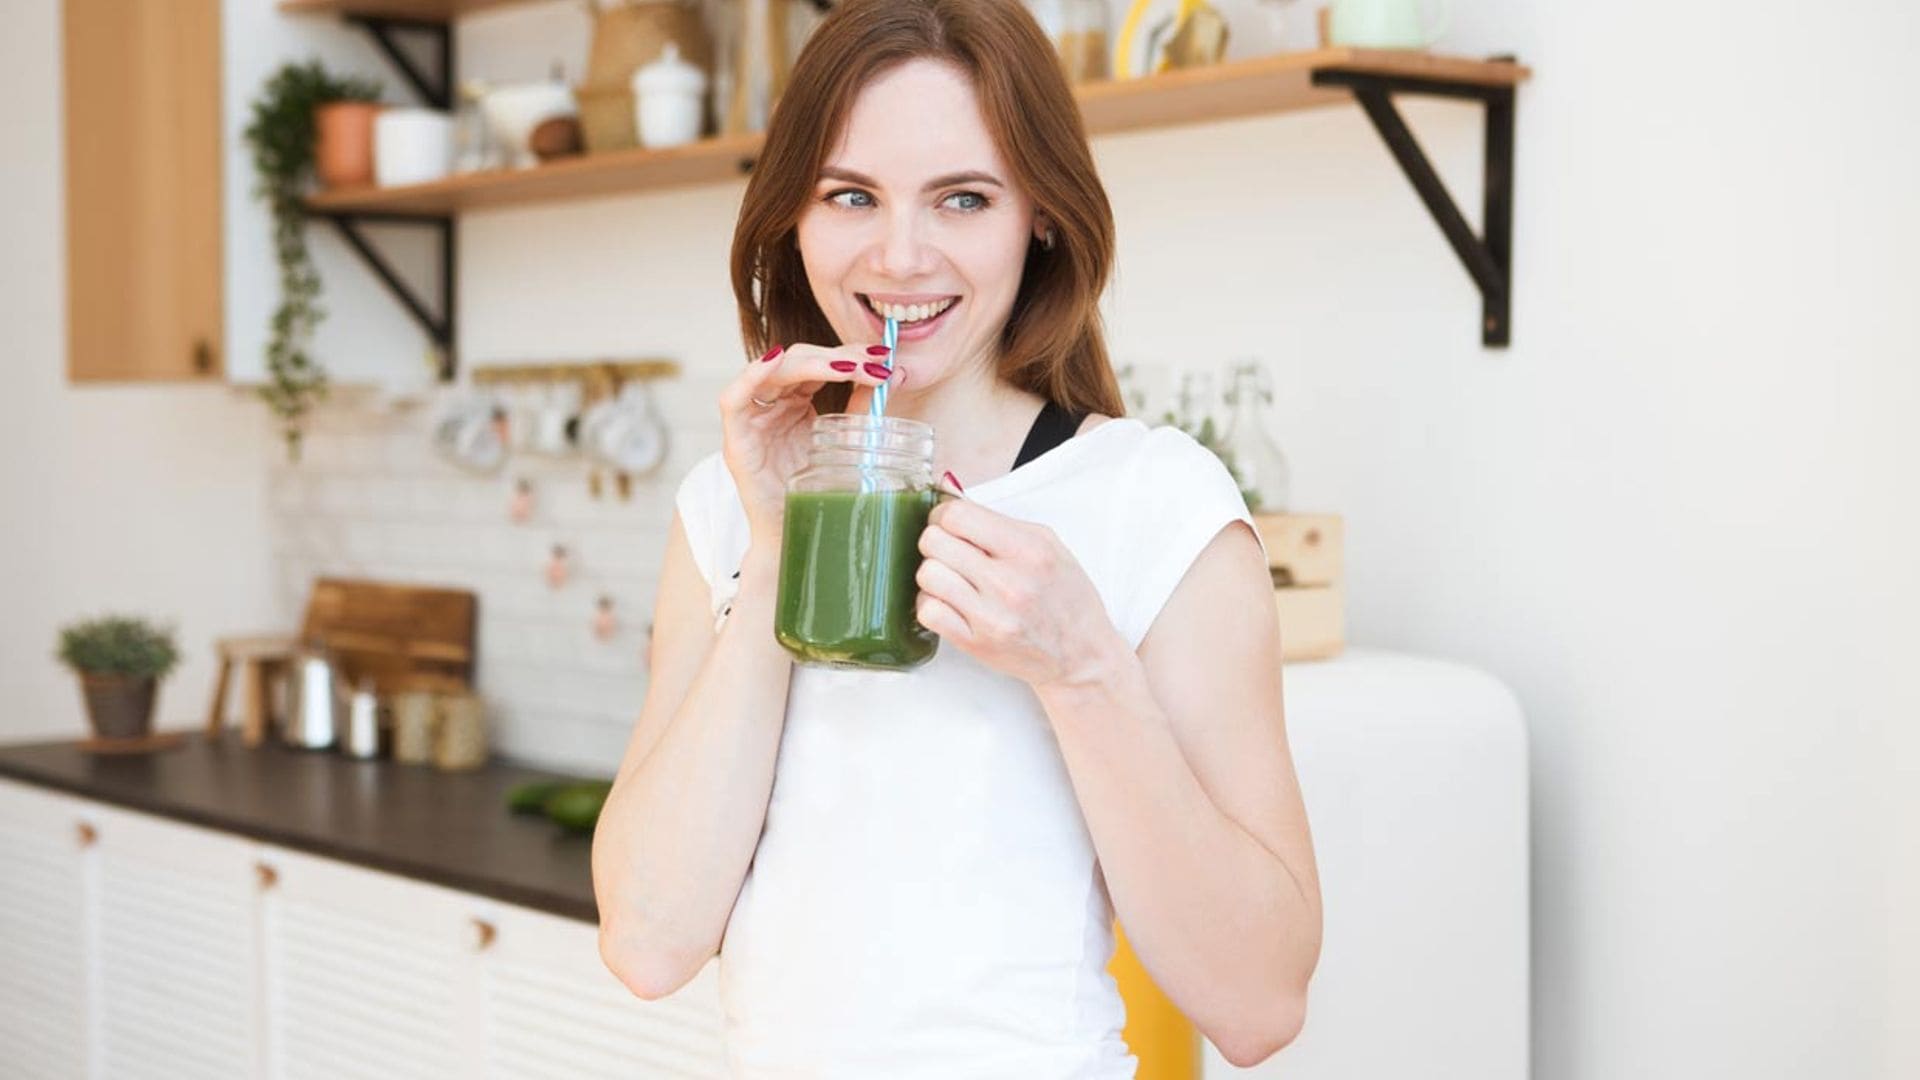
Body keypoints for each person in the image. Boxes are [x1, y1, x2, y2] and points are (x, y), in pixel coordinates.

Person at [591, 0, 1321, 1074]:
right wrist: (778, 539)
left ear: (1041, 215)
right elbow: (650, 942)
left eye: (963, 198)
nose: (899, 256)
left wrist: (1080, 671)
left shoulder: (1157, 505)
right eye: (851, 195)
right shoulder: (724, 506)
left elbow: (1260, 1004)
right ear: (793, 215)